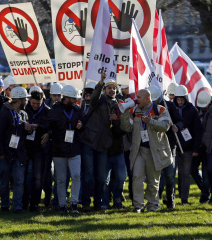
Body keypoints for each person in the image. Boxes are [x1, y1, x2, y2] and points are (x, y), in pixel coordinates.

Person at [120, 89, 173, 213]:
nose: (136, 99)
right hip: (139, 150)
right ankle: (138, 206)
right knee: (137, 177)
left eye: (139, 97)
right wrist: (124, 113)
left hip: (154, 151)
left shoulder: (160, 109)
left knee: (153, 180)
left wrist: (151, 121)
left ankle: (153, 205)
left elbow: (166, 126)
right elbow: (126, 128)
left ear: (147, 99)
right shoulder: (134, 110)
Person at [80, 72, 120, 212]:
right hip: (89, 142)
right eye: (109, 87)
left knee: (101, 178)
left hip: (103, 145)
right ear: (104, 90)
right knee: (88, 175)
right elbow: (95, 95)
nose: (112, 90)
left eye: (114, 88)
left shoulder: (118, 105)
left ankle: (98, 204)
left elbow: (119, 129)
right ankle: (85, 203)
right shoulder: (99, 100)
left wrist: (117, 120)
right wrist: (101, 81)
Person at [47, 85, 84, 213]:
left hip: (74, 148)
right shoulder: (55, 109)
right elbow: (49, 126)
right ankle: (62, 205)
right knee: (61, 179)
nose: (75, 101)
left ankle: (74, 204)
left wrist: (81, 125)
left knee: (76, 176)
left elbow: (83, 124)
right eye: (73, 98)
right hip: (58, 150)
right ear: (66, 98)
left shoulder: (78, 109)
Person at [0, 87, 31, 213]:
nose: (27, 100)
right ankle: (5, 206)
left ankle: (17, 207)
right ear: (19, 100)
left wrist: (29, 129)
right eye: (25, 98)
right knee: (4, 181)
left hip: (19, 154)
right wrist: (0, 153)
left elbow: (26, 133)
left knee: (19, 181)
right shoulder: (4, 112)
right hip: (5, 154)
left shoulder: (24, 114)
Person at [172, 85, 203, 205]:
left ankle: (184, 199)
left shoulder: (192, 110)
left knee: (185, 174)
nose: (180, 102)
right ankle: (172, 198)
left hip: (188, 149)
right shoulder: (172, 109)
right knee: (173, 174)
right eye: (178, 99)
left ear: (186, 98)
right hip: (174, 148)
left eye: (182, 99)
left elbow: (198, 131)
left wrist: (195, 148)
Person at [23, 86, 51, 212]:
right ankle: (24, 201)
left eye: (38, 104)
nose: (35, 105)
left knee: (38, 177)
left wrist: (45, 131)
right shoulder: (24, 109)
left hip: (40, 148)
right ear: (29, 100)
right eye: (33, 103)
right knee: (25, 176)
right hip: (25, 147)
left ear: (42, 101)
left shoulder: (47, 111)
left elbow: (52, 127)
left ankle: (34, 203)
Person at [192, 90, 212, 203]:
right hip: (198, 146)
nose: (203, 108)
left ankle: (205, 196)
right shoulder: (196, 112)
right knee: (193, 170)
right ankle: (206, 191)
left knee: (206, 172)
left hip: (208, 147)